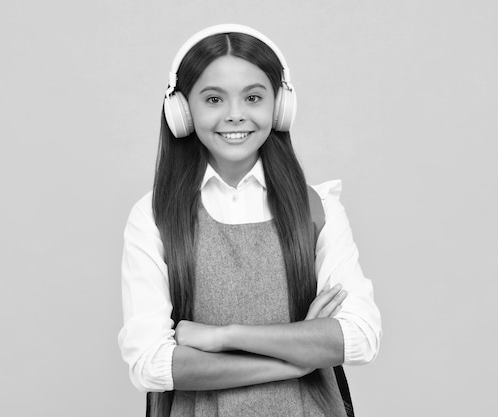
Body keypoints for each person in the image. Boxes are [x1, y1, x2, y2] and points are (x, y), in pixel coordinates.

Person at [118, 24, 382, 417]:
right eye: (213, 99)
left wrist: (223, 337)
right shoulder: (154, 216)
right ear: (182, 110)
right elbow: (153, 364)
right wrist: (299, 356)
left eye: (253, 97)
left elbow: (359, 338)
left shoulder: (317, 207)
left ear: (279, 106)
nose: (235, 115)